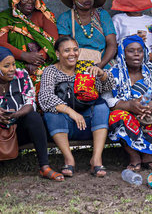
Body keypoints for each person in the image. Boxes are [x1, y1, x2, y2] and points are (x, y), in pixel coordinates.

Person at [0, 46, 63, 181]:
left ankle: (44, 167)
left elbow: (30, 102)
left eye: (13, 64)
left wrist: (16, 114)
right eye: (6, 66)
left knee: (33, 117)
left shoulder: (21, 75)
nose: (12, 69)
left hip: (18, 128)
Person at [38, 36, 116, 177]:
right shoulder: (51, 71)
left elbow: (109, 87)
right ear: (57, 53)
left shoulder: (86, 67)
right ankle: (69, 158)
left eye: (75, 50)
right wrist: (71, 112)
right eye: (66, 50)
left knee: (101, 106)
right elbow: (45, 98)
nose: (72, 54)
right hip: (64, 126)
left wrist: (102, 74)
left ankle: (96, 159)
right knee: (51, 113)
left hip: (88, 125)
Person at [104, 35, 152, 171]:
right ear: (123, 52)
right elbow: (107, 99)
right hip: (127, 112)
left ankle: (148, 156)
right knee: (117, 116)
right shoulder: (113, 72)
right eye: (131, 51)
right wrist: (129, 106)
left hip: (151, 112)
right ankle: (134, 157)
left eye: (139, 51)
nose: (136, 54)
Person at [0, 0, 58, 82]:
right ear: (15, 0)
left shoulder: (43, 15)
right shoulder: (5, 18)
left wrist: (38, 59)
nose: (30, 2)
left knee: (45, 74)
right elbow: (0, 43)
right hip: (14, 62)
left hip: (41, 62)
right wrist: (24, 56)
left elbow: (54, 40)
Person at [56, 0, 117, 69]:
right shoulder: (65, 17)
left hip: (103, 63)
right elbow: (64, 47)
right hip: (74, 65)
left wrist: (99, 66)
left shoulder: (102, 15)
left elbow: (112, 44)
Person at [112, 10, 152, 90]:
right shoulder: (118, 19)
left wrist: (150, 56)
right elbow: (113, 46)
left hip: (148, 58)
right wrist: (131, 40)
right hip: (126, 57)